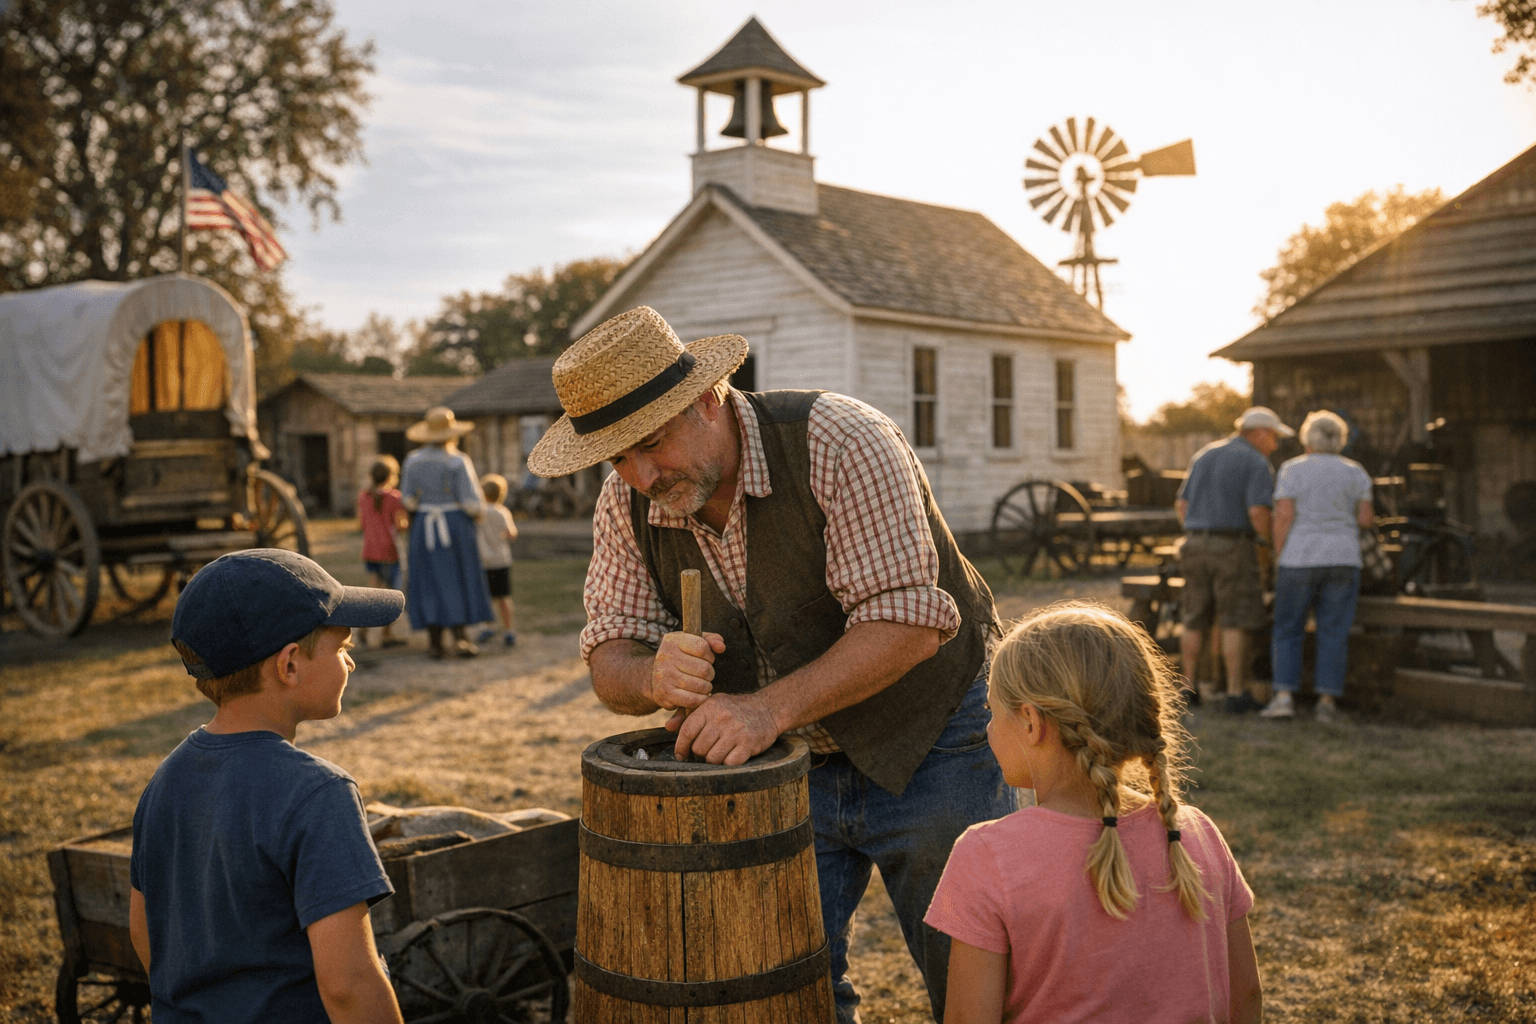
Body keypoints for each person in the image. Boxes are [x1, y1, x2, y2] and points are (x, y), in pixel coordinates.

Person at [526, 306, 1014, 1024]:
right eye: (617, 458)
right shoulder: (625, 501)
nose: (642, 475)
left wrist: (765, 710)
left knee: (976, 977)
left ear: (706, 397)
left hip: (933, 738)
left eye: (652, 443)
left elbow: (909, 624)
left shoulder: (840, 440)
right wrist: (650, 675)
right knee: (782, 983)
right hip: (779, 769)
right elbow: (609, 653)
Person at [925, 601, 1262, 1024]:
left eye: (992, 711)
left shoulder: (986, 855)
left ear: (1030, 721)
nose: (987, 727)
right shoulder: (1197, 833)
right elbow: (1246, 996)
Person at [128, 548, 405, 1024]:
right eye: (342, 648)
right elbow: (349, 987)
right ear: (289, 665)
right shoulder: (319, 794)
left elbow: (143, 932)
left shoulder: (165, 780)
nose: (350, 664)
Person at [1174, 406, 1292, 711]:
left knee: (1194, 617)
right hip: (1232, 545)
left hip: (1194, 543)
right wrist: (1269, 544)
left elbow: (1182, 505)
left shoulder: (1204, 455)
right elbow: (1258, 512)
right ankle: (1235, 692)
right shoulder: (1255, 461)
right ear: (1259, 433)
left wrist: (1197, 532)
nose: (1275, 445)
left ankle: (1188, 688)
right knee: (1235, 619)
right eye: (1274, 437)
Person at [1260, 411, 1374, 722]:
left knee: (1288, 628)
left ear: (1307, 439)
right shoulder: (1355, 471)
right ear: (1340, 439)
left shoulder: (1292, 469)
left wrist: (1279, 553)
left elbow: (1284, 515)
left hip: (1299, 556)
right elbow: (1365, 519)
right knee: (1333, 631)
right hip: (1344, 556)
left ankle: (1284, 697)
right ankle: (1326, 701)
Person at [399, 406, 494, 659]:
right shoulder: (458, 460)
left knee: (428, 580)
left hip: (424, 526)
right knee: (457, 578)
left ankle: (435, 642)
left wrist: (421, 507)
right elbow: (471, 500)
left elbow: (407, 498)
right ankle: (460, 637)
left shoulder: (412, 460)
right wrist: (477, 513)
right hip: (454, 524)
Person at [356, 455, 408, 648]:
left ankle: (363, 627)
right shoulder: (395, 498)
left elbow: (362, 523)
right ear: (391, 476)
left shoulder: (363, 496)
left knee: (372, 592)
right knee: (389, 595)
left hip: (370, 550)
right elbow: (400, 525)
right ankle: (386, 634)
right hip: (389, 552)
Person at [475, 472, 519, 647]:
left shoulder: (479, 512)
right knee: (504, 597)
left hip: (483, 560)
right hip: (501, 560)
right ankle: (508, 630)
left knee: (484, 596)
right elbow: (511, 534)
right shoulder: (502, 512)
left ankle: (486, 627)